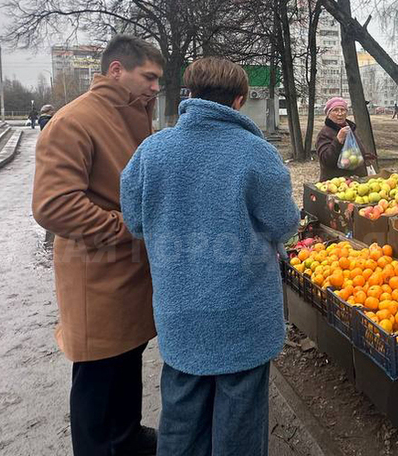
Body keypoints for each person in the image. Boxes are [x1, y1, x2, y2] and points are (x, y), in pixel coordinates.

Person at [120, 57, 300, 456]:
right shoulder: (256, 153)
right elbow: (284, 223)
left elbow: (134, 220)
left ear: (190, 93)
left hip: (179, 312)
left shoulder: (152, 152)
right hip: (243, 317)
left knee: (181, 421)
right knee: (240, 424)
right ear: (239, 100)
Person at [32, 35, 164, 456]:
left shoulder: (132, 114)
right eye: (149, 77)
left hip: (126, 274)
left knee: (125, 366)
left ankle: (125, 436)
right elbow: (54, 205)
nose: (155, 87)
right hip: (98, 279)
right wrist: (130, 227)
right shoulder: (74, 121)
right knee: (97, 379)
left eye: (159, 80)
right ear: (116, 71)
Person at [315, 97, 376, 181]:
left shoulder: (350, 129)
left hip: (357, 181)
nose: (340, 113)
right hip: (337, 183)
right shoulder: (325, 133)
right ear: (328, 114)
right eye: (335, 110)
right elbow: (326, 160)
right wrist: (338, 141)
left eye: (342, 110)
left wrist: (364, 156)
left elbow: (355, 151)